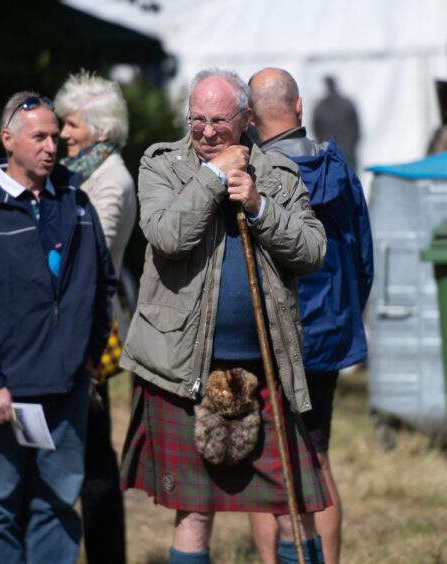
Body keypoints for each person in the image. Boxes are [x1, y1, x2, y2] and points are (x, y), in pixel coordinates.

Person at [119, 68, 330, 564]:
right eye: (197, 119)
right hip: (185, 369)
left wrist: (259, 207)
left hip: (267, 368)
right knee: (194, 512)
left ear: (245, 119)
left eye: (218, 120)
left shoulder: (277, 175)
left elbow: (314, 250)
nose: (206, 131)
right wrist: (212, 177)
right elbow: (168, 237)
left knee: (291, 510)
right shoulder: (161, 166)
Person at [0, 92, 115, 564]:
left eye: (55, 136)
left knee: (57, 508)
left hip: (66, 390)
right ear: (8, 139)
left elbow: (104, 283)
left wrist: (88, 355)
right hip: (3, 395)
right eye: (39, 137)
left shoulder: (77, 204)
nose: (52, 146)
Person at [248, 67, 374, 564]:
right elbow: (363, 259)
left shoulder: (251, 179)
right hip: (326, 335)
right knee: (316, 459)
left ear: (251, 118)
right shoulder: (341, 171)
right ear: (299, 108)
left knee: (266, 463)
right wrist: (346, 315)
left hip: (268, 337)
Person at [54, 70, 136, 564]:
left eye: (71, 125)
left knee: (94, 463)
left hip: (88, 333)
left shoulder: (111, 180)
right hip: (71, 326)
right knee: (86, 455)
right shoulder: (83, 172)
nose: (63, 135)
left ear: (100, 130)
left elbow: (92, 258)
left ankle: (107, 555)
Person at [312, 76, 361, 171]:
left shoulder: (321, 106)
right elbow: (356, 126)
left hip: (333, 146)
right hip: (345, 145)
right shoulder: (347, 103)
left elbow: (316, 127)